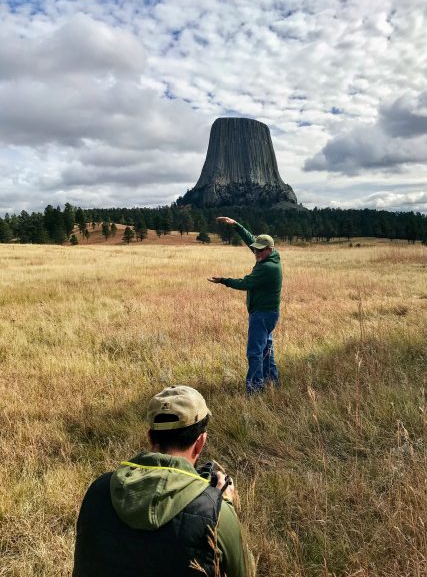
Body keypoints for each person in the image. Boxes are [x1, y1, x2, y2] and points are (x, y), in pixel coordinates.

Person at [73, 385, 254, 577]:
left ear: (150, 437)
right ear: (200, 442)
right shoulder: (216, 514)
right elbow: (246, 571)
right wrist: (224, 504)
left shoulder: (99, 490)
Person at [208, 217, 282, 393]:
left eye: (260, 251)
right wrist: (236, 225)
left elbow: (245, 283)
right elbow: (252, 241)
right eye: (255, 250)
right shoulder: (271, 256)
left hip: (262, 315)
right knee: (266, 350)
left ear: (269, 250)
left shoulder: (267, 268)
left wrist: (223, 280)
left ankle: (255, 389)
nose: (256, 253)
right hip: (269, 314)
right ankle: (272, 381)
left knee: (254, 352)